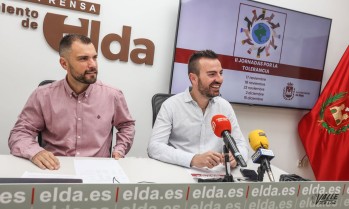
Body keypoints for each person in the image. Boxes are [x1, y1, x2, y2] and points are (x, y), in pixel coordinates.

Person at [8, 34, 135, 170]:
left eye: (94, 57)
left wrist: (120, 149)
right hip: (56, 169)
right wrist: (35, 152)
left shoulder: (113, 95)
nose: (92, 64)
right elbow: (20, 133)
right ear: (64, 63)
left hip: (98, 171)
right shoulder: (42, 95)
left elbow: (127, 125)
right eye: (83, 59)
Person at [148, 49, 248, 169]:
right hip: (180, 173)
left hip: (216, 176)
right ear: (193, 78)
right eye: (212, 74)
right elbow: (154, 147)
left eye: (220, 73)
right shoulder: (171, 105)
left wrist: (236, 156)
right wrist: (193, 159)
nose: (220, 79)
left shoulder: (224, 106)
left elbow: (241, 144)